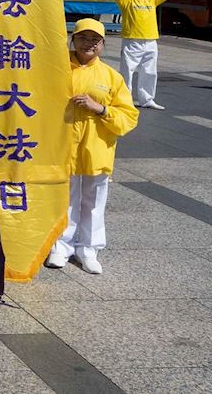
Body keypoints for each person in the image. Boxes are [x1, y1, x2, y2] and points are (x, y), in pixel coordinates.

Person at [45, 18, 139, 275]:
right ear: (72, 40)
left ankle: (88, 249)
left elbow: (128, 117)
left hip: (96, 148)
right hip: (62, 146)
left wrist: (100, 109)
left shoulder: (111, 77)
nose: (88, 44)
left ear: (102, 44)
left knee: (94, 201)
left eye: (95, 40)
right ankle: (60, 246)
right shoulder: (56, 69)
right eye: (83, 38)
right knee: (64, 198)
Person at [109, 0, 179, 110]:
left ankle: (147, 100)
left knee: (149, 72)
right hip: (132, 41)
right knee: (127, 72)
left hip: (150, 40)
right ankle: (125, 100)